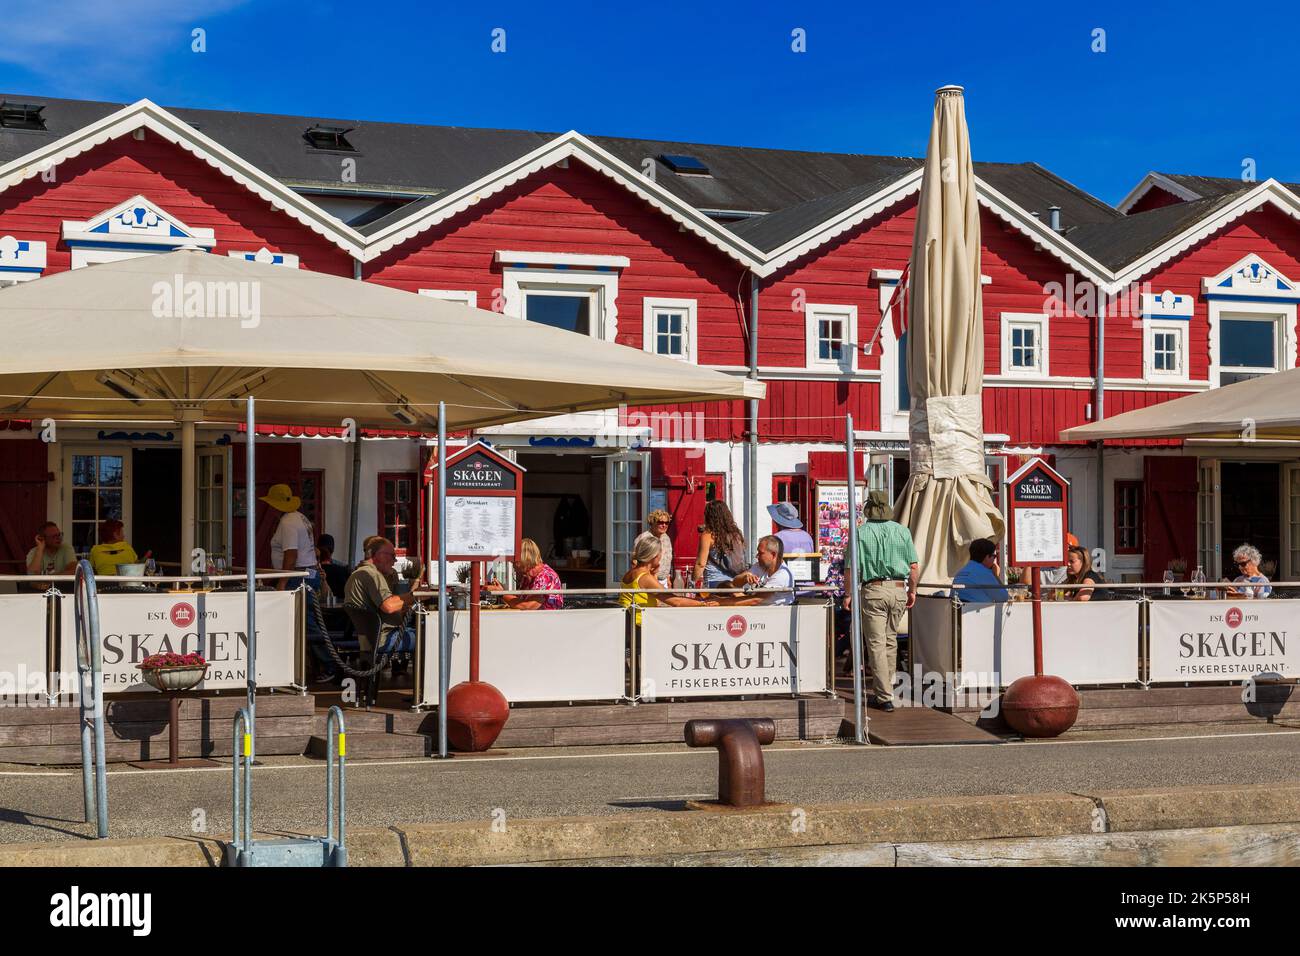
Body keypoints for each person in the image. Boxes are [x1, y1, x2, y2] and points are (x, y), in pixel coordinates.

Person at [854, 491, 918, 712]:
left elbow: (851, 568)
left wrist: (847, 594)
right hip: (899, 589)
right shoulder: (902, 531)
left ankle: (884, 696)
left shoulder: (861, 533)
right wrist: (913, 591)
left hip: (874, 589)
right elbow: (913, 567)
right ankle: (887, 688)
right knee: (890, 641)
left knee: (876, 644)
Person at [343, 536, 421, 706]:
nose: (394, 561)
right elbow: (389, 606)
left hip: (368, 639)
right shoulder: (372, 575)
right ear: (378, 555)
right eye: (392, 556)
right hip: (384, 639)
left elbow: (383, 609)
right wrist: (416, 596)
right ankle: (425, 695)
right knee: (430, 638)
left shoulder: (357, 574)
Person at [620, 536, 715, 623]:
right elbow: (676, 601)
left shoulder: (631, 573)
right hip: (640, 625)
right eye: (660, 553)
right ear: (654, 556)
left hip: (628, 622)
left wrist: (654, 573)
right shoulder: (645, 577)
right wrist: (703, 603)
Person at [487, 537, 564, 610]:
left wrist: (501, 594)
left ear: (523, 559)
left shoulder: (546, 577)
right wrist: (502, 591)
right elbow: (519, 601)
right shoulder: (527, 576)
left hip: (546, 622)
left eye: (514, 561)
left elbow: (527, 606)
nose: (512, 563)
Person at [693, 500, 748, 590]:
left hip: (715, 583)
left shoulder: (708, 535)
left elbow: (700, 564)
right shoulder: (736, 534)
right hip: (736, 582)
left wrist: (692, 582)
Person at [730, 534, 795, 606]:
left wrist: (719, 602)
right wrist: (745, 578)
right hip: (759, 611)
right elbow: (735, 583)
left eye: (760, 553)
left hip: (775, 614)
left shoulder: (783, 574)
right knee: (726, 584)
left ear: (773, 555)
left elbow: (755, 600)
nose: (756, 556)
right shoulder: (760, 565)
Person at [951, 539, 1010, 604]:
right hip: (976, 611)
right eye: (994, 556)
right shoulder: (985, 573)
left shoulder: (962, 571)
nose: (994, 560)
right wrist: (995, 575)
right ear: (987, 557)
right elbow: (1003, 597)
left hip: (958, 610)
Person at [27, 521, 77, 587]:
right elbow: (32, 575)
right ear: (43, 538)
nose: (59, 538)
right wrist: (40, 549)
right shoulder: (34, 552)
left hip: (63, 588)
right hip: (40, 591)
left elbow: (73, 571)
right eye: (54, 536)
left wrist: (48, 578)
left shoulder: (66, 548)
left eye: (59, 535)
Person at [633, 510, 674, 586]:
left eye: (666, 523)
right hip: (648, 580)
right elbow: (635, 562)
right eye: (660, 522)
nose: (664, 525)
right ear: (652, 523)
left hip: (663, 581)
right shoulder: (644, 538)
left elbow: (667, 559)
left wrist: (668, 578)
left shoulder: (666, 538)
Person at [316, 533, 350, 602]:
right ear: (333, 550)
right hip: (340, 608)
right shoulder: (343, 569)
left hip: (320, 609)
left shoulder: (314, 570)